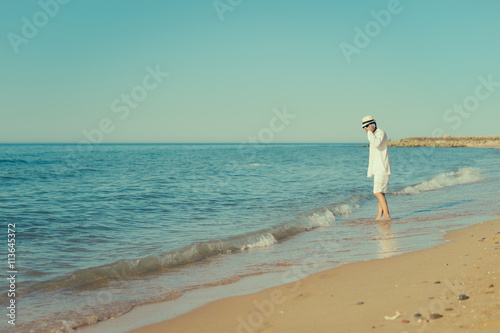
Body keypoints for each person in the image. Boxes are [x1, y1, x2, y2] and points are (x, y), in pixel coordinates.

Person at [362, 115, 391, 220]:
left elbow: (376, 143)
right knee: (381, 194)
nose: (365, 129)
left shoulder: (380, 133)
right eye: (364, 127)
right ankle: (379, 216)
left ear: (371, 125)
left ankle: (387, 215)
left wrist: (370, 132)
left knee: (377, 192)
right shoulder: (374, 134)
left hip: (382, 168)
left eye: (366, 126)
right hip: (378, 168)